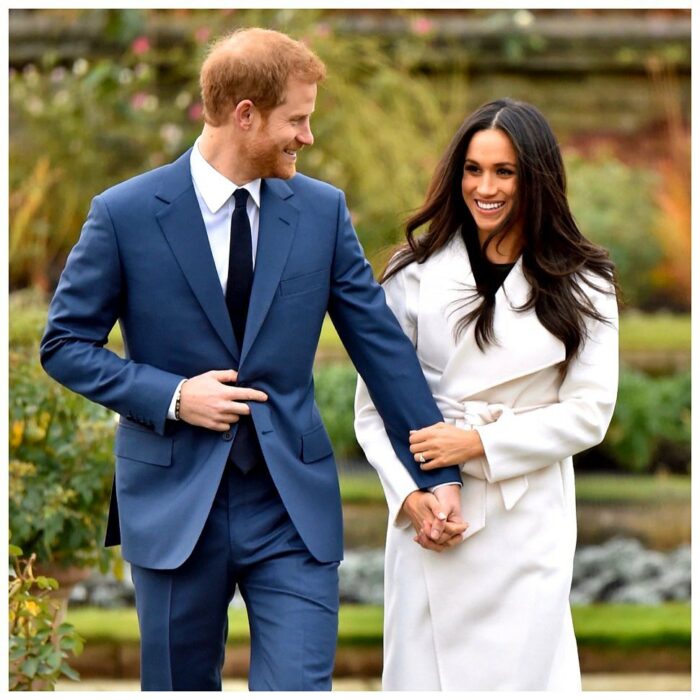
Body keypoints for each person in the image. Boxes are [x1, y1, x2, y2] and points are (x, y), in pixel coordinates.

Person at [39, 28, 466, 691]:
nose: (308, 137)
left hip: (290, 506)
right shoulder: (123, 215)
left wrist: (436, 471)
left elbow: (380, 346)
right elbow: (64, 345)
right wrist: (175, 396)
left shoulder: (321, 213)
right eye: (297, 119)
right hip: (174, 504)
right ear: (245, 115)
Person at [354, 98, 620, 691]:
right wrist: (412, 499)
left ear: (538, 179)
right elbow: (374, 410)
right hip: (432, 517)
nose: (486, 187)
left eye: (505, 172)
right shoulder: (411, 272)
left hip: (524, 518)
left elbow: (589, 413)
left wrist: (476, 442)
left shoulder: (585, 281)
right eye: (473, 170)